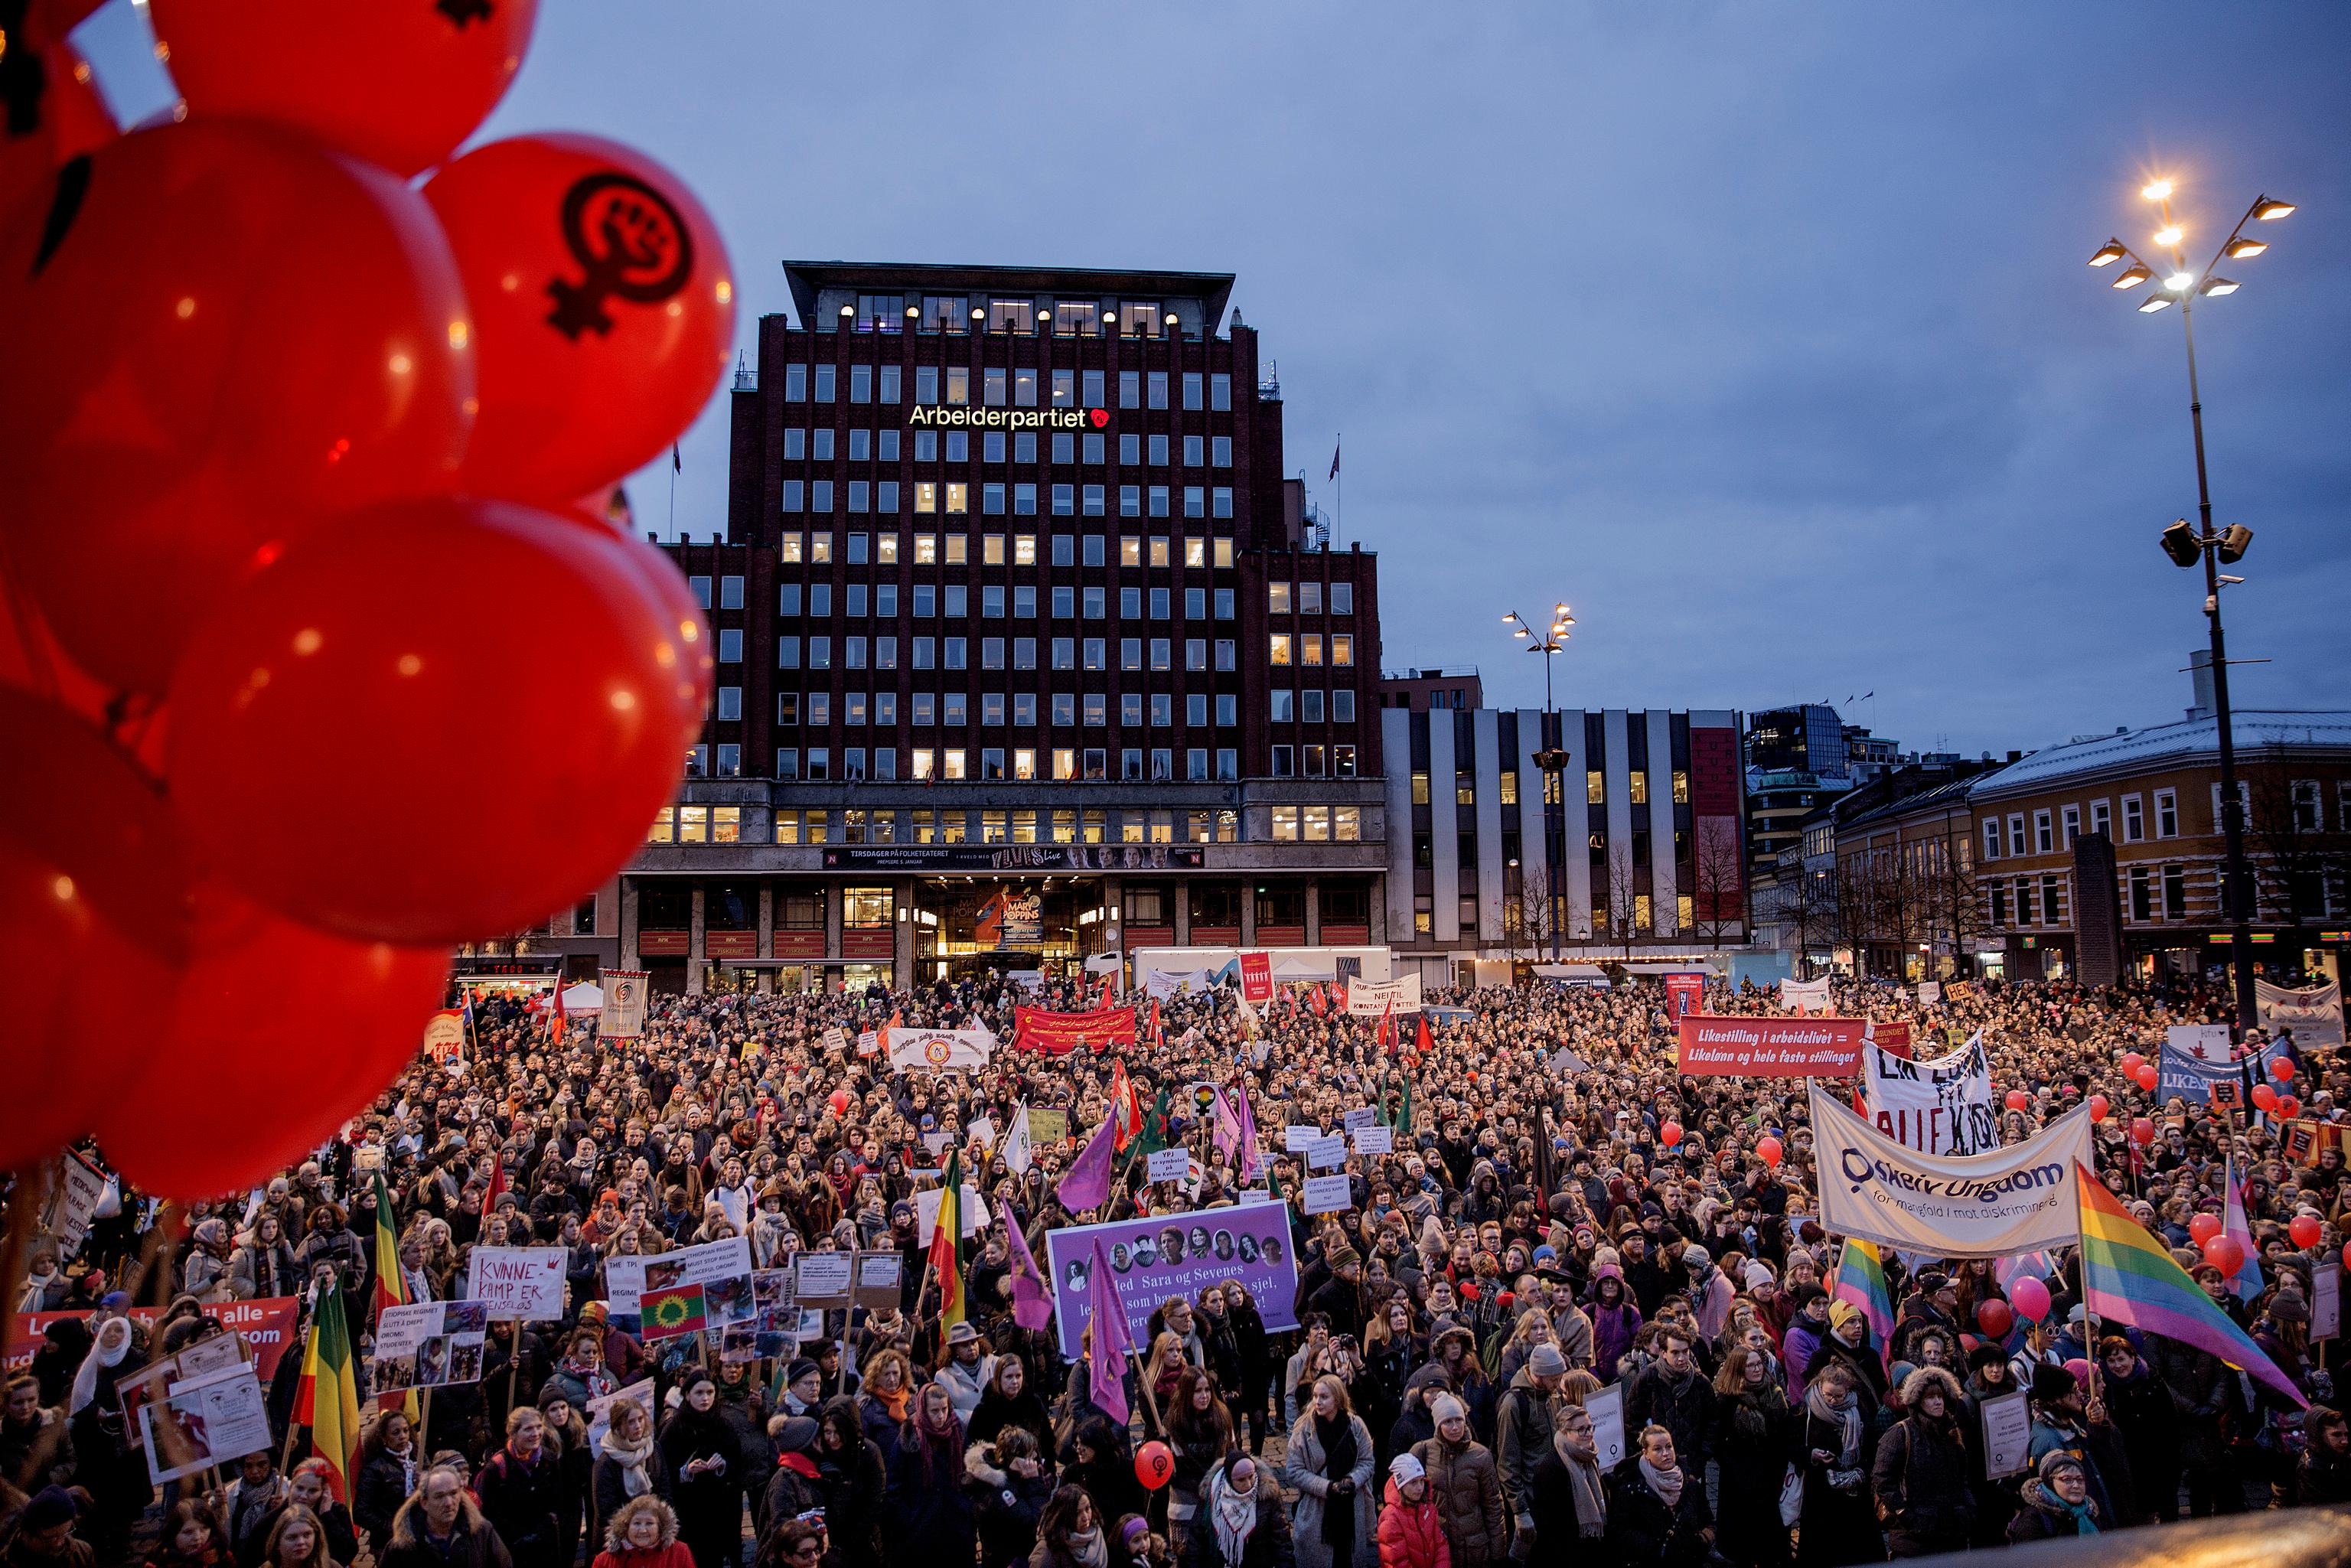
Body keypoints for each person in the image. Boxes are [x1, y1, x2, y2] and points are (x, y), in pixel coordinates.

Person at [1870, 1368, 1973, 1559]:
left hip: (1952, 1534)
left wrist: (1967, 1509)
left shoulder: (1951, 1433)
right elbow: (1882, 1480)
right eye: (1930, 1397)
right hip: (1913, 1540)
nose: (1937, 1402)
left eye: (1940, 1396)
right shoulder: (1900, 1434)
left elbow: (1962, 1477)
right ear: (1918, 1401)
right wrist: (1905, 1515)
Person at [1707, 1344, 1794, 1568]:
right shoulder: (1728, 1400)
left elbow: (1785, 1431)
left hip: (1772, 1472)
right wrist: (1732, 1466)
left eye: (1759, 1364)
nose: (1757, 1370)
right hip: (1740, 1480)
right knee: (1744, 1543)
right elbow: (1716, 1439)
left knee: (1773, 1539)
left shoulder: (1774, 1393)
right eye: (1750, 1366)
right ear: (1739, 1369)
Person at [1281, 1375, 1377, 1568]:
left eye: (1324, 1397)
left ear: (1338, 1398)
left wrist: (1352, 1480)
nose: (1317, 1401)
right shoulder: (1304, 1429)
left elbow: (1368, 1461)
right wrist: (1327, 1487)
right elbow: (1294, 1471)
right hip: (1317, 1513)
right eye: (1315, 1396)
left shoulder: (1356, 1425)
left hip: (1350, 1511)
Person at [1795, 1361, 1878, 1568]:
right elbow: (1790, 1445)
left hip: (1853, 1495)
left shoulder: (1859, 1408)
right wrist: (1811, 1454)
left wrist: (1861, 1470)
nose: (1832, 1400)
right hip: (1819, 1494)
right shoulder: (1805, 1409)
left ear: (1847, 1391)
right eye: (1828, 1395)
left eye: (1838, 1396)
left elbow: (1871, 1445)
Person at [660, 1374, 748, 1568]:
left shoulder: (723, 1424)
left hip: (719, 1509)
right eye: (699, 1393)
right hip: (688, 1511)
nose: (705, 1398)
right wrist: (686, 1471)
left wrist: (722, 1466)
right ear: (687, 1395)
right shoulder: (674, 1428)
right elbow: (663, 1473)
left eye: (710, 1392)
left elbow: (737, 1465)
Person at [1409, 1394, 1502, 1568]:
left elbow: (1493, 1505)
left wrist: (1498, 1551)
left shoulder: (1481, 1455)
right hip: (1436, 1545)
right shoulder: (1422, 1452)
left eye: (1459, 1420)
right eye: (1448, 1422)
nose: (1455, 1428)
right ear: (1438, 1424)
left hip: (1474, 1549)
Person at [889, 1383, 975, 1566]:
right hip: (921, 1530)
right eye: (934, 1411)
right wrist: (909, 1518)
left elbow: (971, 1474)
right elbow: (894, 1486)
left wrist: (966, 1509)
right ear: (923, 1409)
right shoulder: (908, 1436)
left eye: (944, 1409)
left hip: (956, 1527)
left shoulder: (957, 1432)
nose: (941, 1416)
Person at [1606, 1424, 1713, 1568]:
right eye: (1657, 1449)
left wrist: (1703, 1539)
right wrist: (1658, 1548)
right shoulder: (1631, 1488)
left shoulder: (1690, 1484)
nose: (1666, 1453)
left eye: (1669, 1447)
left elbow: (1708, 1521)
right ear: (1646, 1453)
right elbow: (1621, 1532)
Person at [1494, 1345, 1565, 1549]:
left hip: (1554, 1493)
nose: (1558, 1384)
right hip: (1531, 1498)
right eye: (1554, 1379)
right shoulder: (1513, 1405)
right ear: (1539, 1375)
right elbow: (1507, 1462)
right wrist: (1520, 1510)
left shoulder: (1553, 1395)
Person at [377, 1467, 514, 1568]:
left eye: (453, 1493)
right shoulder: (402, 1546)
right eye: (439, 1496)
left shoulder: (482, 1532)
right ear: (424, 1503)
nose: (449, 1503)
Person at [1521, 1403, 1605, 1568]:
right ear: (1565, 1433)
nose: (1588, 1434)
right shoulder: (1549, 1469)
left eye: (1590, 1427)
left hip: (1591, 1550)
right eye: (1581, 1430)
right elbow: (1549, 1528)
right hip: (1566, 1555)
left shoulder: (1589, 1458)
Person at [1622, 1326, 1712, 1478]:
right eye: (1675, 1352)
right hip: (1655, 1466)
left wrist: (1701, 1459)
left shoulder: (1700, 1382)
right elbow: (1632, 1421)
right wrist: (1650, 1451)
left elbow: (1712, 1423)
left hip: (1692, 1467)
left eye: (1685, 1351)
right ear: (1663, 1353)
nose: (1682, 1358)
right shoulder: (1647, 1379)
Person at [1181, 1457, 1294, 1568]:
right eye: (1241, 1480)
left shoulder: (1267, 1498)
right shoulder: (1211, 1498)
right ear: (1230, 1480)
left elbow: (1281, 1541)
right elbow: (1196, 1541)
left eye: (1251, 1477)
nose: (1248, 1484)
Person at [814, 1396, 886, 1568]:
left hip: (864, 1535)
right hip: (830, 1537)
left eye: (838, 1432)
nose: (832, 1439)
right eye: (828, 1432)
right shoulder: (820, 1452)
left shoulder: (869, 1452)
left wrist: (856, 1535)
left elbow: (876, 1497)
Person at [969, 1427, 1057, 1568]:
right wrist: (1033, 1482)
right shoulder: (1001, 1490)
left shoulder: (1014, 1480)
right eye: (1029, 1455)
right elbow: (1035, 1523)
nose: (1035, 1456)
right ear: (1015, 1460)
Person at [1166, 1368, 1236, 1544]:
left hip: (1219, 1503)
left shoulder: (1222, 1418)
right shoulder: (1175, 1424)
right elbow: (1175, 1473)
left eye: (1207, 1390)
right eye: (1197, 1391)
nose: (1204, 1396)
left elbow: (1232, 1454)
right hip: (1187, 1506)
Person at [594, 1397, 670, 1552]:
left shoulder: (654, 1449)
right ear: (618, 1427)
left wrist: (657, 1527)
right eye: (630, 1422)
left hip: (655, 1534)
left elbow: (665, 1490)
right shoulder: (605, 1462)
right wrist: (635, 1532)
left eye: (640, 1419)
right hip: (620, 1542)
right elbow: (606, 1511)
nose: (638, 1426)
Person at [353, 1410, 422, 1550]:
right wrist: (391, 1526)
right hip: (389, 1543)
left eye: (405, 1430)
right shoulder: (374, 1469)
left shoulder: (420, 1459)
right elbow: (361, 1512)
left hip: (420, 1535)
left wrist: (427, 1481)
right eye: (396, 1433)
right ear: (384, 1438)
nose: (402, 1436)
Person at [2006, 1452, 2102, 1542]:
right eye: (2067, 1479)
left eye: (2080, 1479)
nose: (2076, 1485)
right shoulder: (2032, 1518)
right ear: (2050, 1482)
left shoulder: (2090, 1511)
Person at [1374, 1455, 1449, 1568]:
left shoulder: (1429, 1509)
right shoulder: (1390, 1518)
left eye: (1421, 1481)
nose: (1420, 1488)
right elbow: (1396, 1561)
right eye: (1413, 1482)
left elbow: (1441, 1546)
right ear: (1401, 1486)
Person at [592, 1497, 697, 1568]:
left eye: (649, 1523)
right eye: (637, 1523)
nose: (643, 1530)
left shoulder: (680, 1553)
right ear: (626, 1526)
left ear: (660, 1527)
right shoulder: (604, 1561)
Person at [7, 1486, 96, 1568]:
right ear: (26, 1535)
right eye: (51, 1538)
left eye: (65, 1533)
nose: (60, 1543)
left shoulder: (83, 1553)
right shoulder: (9, 1561)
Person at [1030, 1485, 1111, 1568]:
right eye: (1077, 1513)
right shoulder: (1046, 1553)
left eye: (1087, 1508)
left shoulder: (1097, 1536)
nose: (1086, 1517)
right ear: (1064, 1516)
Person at [147, 1501, 229, 1568]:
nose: (197, 1537)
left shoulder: (221, 1554)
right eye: (188, 1532)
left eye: (204, 1529)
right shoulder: (159, 1563)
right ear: (173, 1533)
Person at [2297, 1406, 2351, 1507]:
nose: (2345, 1441)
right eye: (2337, 1435)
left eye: (2346, 1435)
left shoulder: (2340, 1456)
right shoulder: (2310, 1468)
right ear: (2318, 1435)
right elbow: (2324, 1509)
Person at [258, 1507, 334, 1568]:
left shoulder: (330, 1566)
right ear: (277, 1543)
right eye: (292, 1538)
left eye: (307, 1535)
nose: (301, 1542)